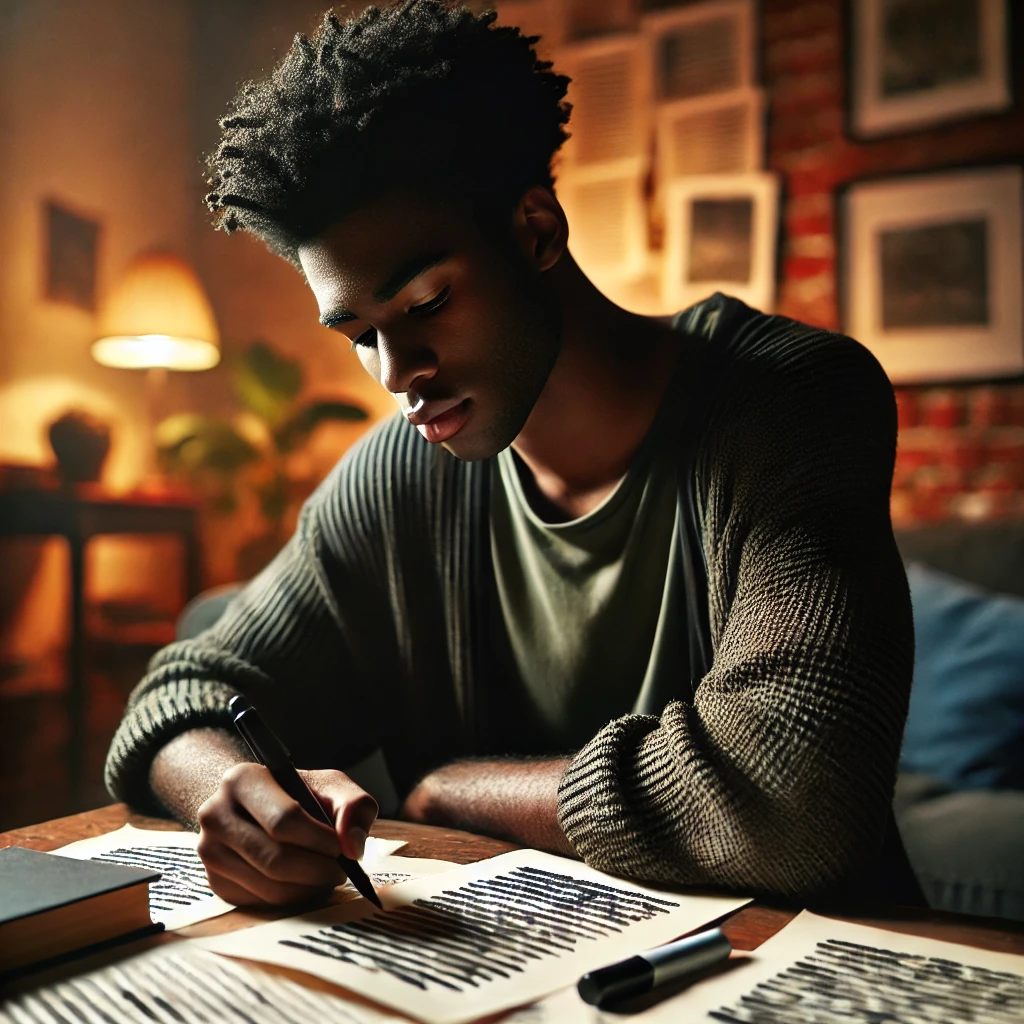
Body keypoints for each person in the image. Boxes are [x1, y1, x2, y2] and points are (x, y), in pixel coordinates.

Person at [104, 1, 915, 909]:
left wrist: (459, 792)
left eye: (424, 304)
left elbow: (797, 803)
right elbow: (182, 694)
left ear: (535, 230)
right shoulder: (397, 474)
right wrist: (229, 790)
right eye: (358, 334)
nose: (398, 373)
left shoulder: (788, 399)